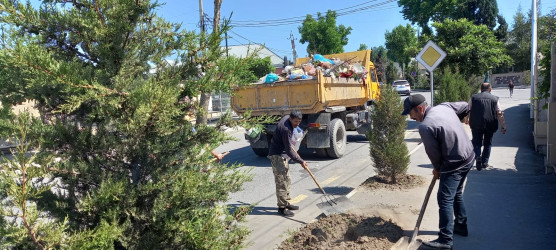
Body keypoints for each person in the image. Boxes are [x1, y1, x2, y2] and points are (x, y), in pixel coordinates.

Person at [402, 94, 475, 249]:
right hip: (469, 156)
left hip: (454, 164)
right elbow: (465, 106)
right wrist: (459, 121)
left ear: (420, 108)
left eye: (411, 113)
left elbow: (433, 153)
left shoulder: (426, 126)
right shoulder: (444, 107)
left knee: (444, 199)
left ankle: (445, 240)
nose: (410, 117)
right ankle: (461, 225)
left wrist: (437, 169)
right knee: (456, 193)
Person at [268, 110, 309, 217]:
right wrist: (301, 161)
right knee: (281, 181)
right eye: (295, 121)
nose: (297, 124)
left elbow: (288, 147)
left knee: (287, 179)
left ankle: (286, 202)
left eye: (299, 121)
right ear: (290, 118)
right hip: (277, 155)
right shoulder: (286, 129)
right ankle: (282, 208)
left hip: (283, 154)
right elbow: (289, 150)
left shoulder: (287, 118)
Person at [468, 82, 506, 171]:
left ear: (480, 89)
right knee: (487, 143)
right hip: (490, 124)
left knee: (476, 142)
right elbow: (499, 113)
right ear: (490, 89)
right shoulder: (495, 99)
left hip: (476, 124)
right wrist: (503, 126)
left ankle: (477, 157)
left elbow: (467, 109)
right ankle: (484, 162)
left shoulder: (474, 98)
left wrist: (467, 119)